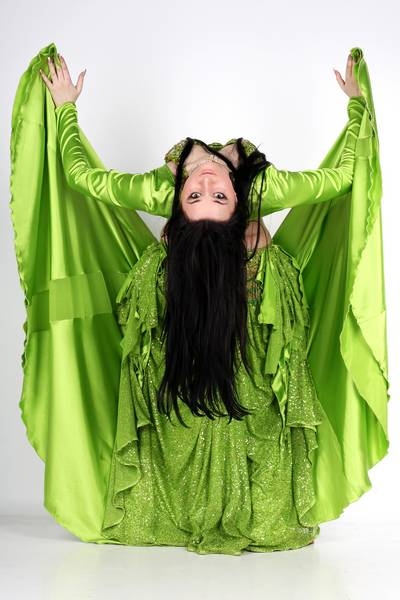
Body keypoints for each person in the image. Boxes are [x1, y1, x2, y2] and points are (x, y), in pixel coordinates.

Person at [28, 50, 378, 555]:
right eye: (208, 196)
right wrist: (357, 106)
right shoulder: (257, 188)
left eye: (202, 197)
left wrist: (66, 109)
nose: (208, 185)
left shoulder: (167, 188)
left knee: (258, 268)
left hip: (240, 301)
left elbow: (84, 176)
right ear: (238, 203)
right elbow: (341, 176)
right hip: (197, 298)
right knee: (189, 278)